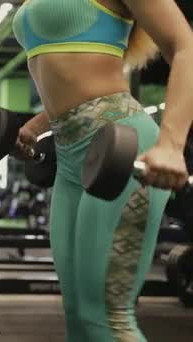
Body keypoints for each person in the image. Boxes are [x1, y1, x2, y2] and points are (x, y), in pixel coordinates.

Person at [11, 0, 193, 340]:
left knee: (106, 318)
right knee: (78, 316)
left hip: (122, 148)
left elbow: (186, 46)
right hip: (69, 156)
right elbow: (72, 73)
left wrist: (171, 143)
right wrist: (36, 127)